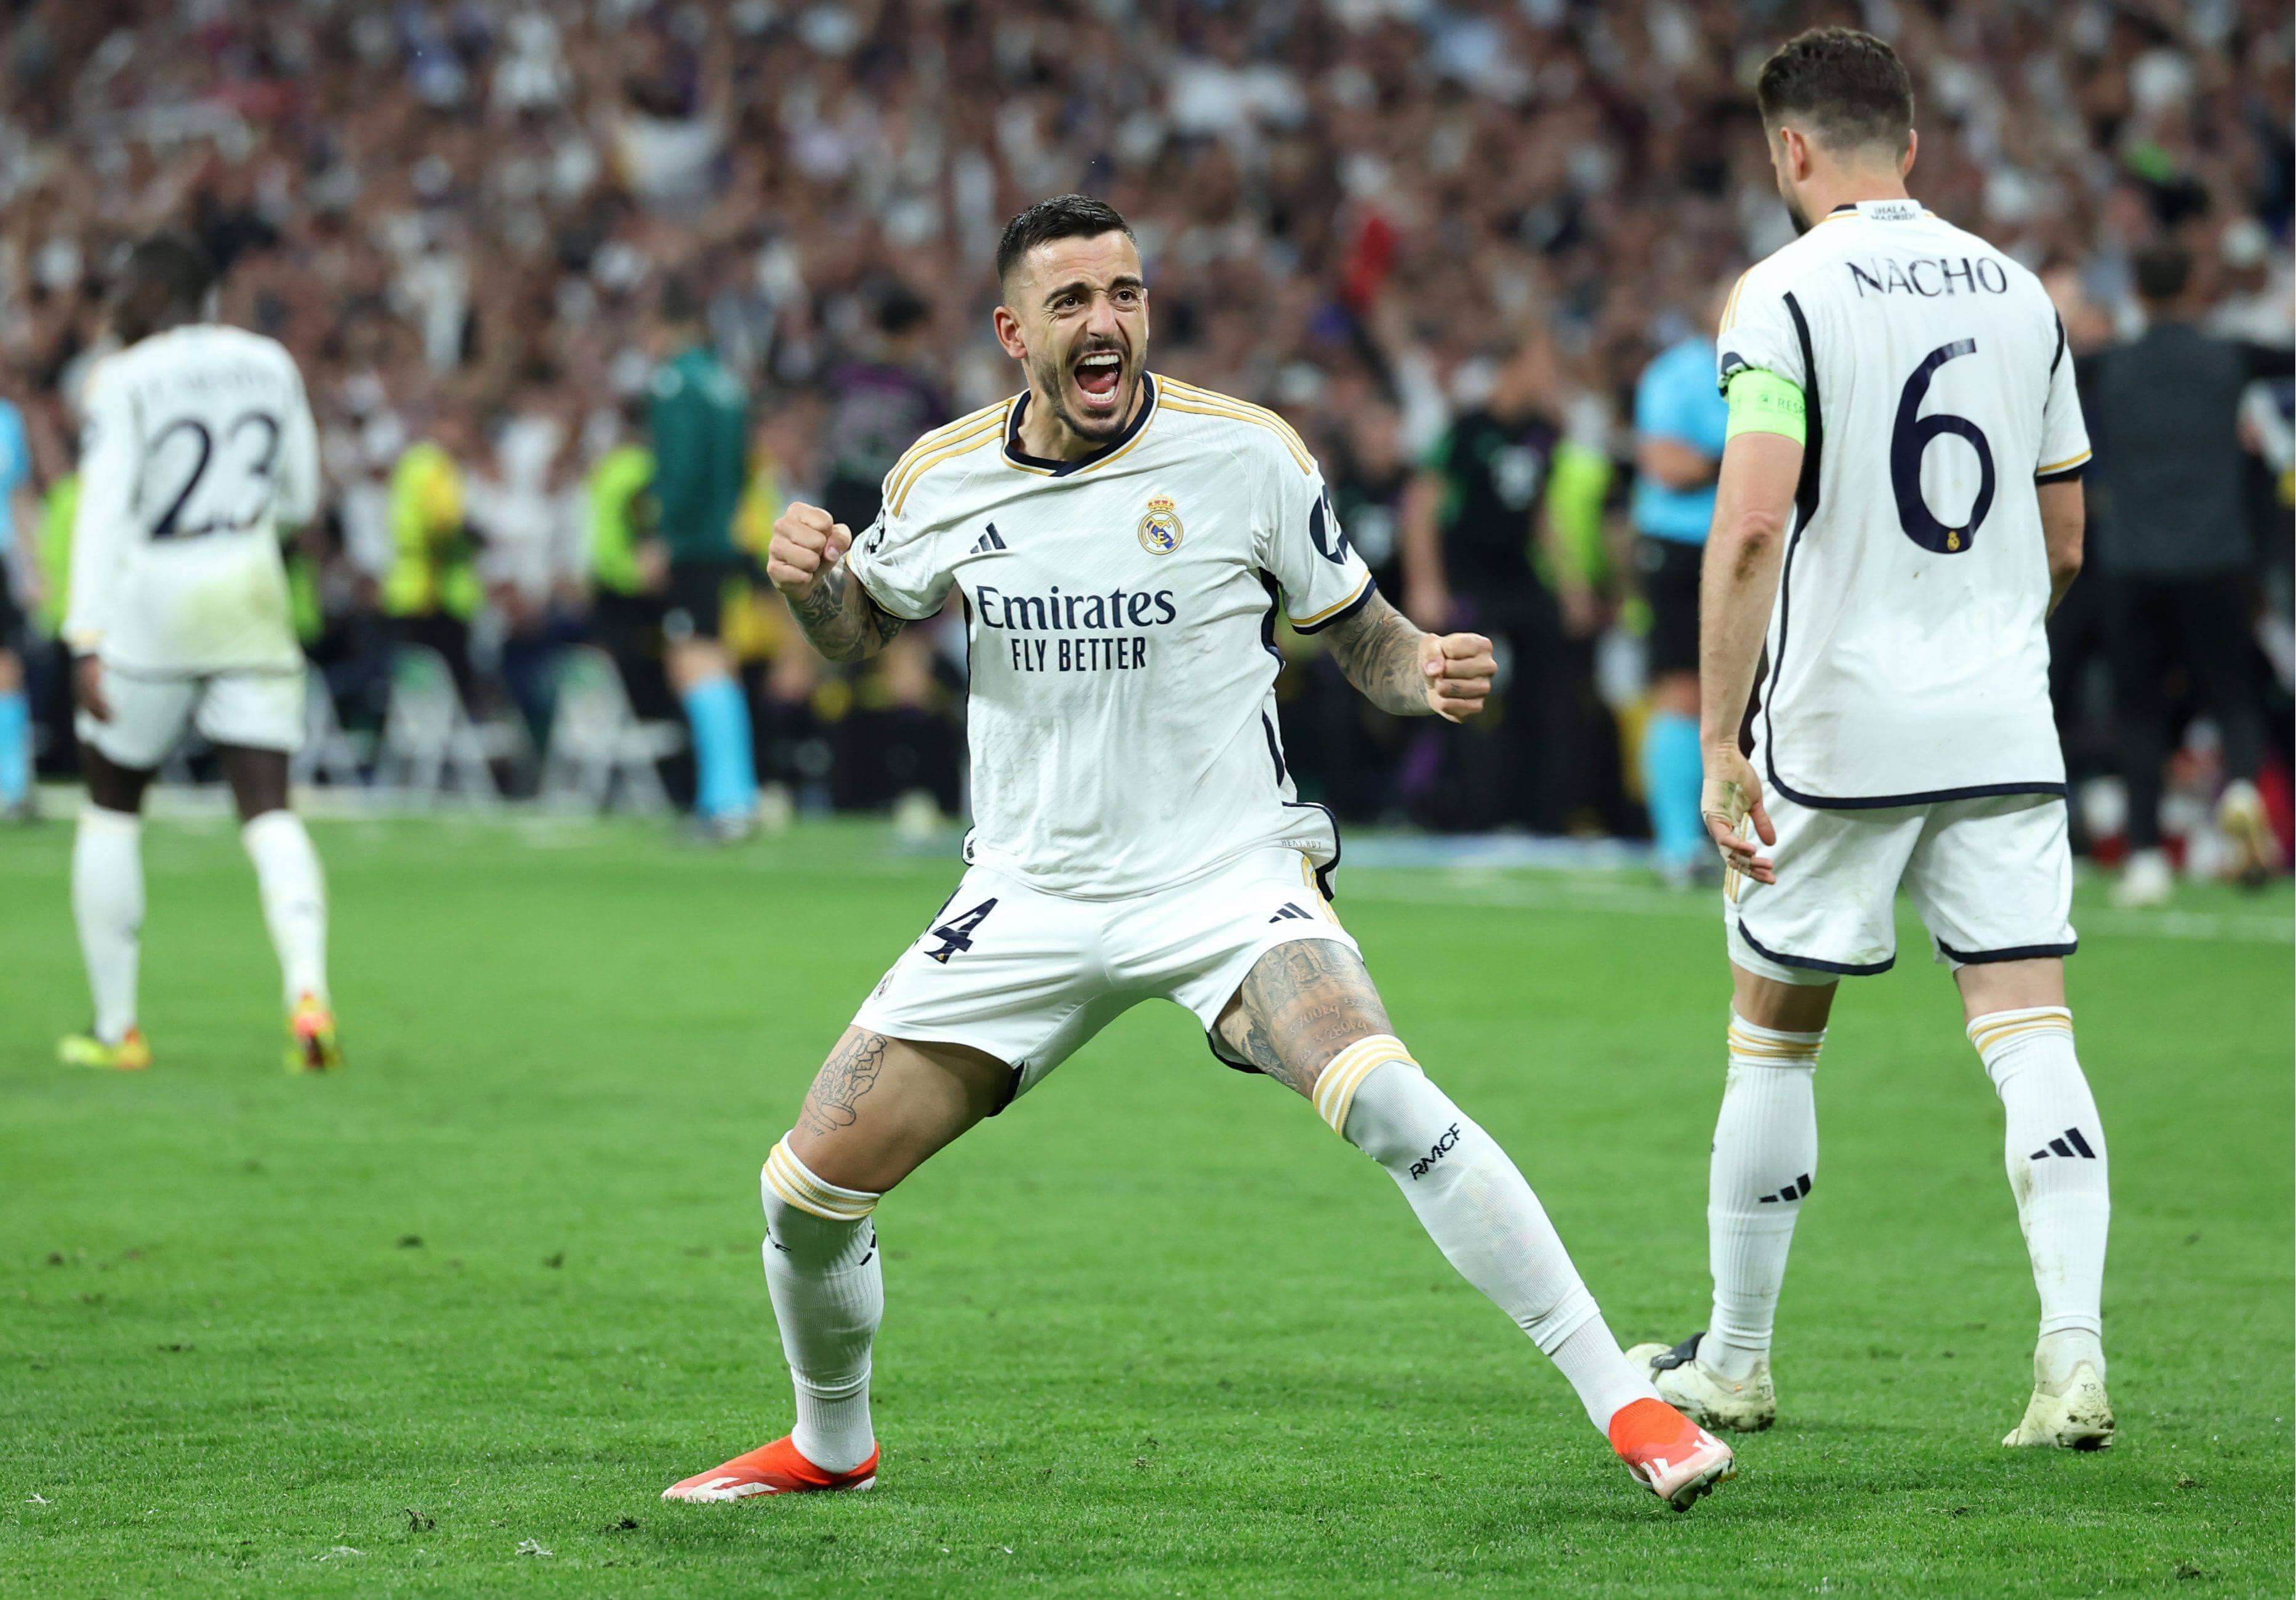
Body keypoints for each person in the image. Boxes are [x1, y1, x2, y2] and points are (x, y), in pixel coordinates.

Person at [662, 195, 1734, 1512]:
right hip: (1026, 893)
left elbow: (1362, 632)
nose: (1105, 322)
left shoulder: (1245, 456)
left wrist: (1425, 674)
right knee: (805, 1192)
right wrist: (808, 585)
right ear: (1013, 332)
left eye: (1124, 293)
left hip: (1225, 878)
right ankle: (832, 1443)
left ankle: (1625, 1403)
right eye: (1070, 303)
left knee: (1386, 1094)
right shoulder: (940, 478)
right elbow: (854, 631)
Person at [1625, 30, 2113, 1452]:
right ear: (1905, 145)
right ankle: (2068, 1361)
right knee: (2026, 1031)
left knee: (1770, 1038)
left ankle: (1733, 1359)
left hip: (1837, 729)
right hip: (1997, 722)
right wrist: (1972, 629)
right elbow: (2064, 535)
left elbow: (1752, 518)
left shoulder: (1775, 294)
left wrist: (1719, 736)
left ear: (1787, 152)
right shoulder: (2019, 294)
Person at [56, 235, 340, 1074]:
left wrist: (85, 636)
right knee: (270, 809)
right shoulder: (269, 361)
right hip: (249, 586)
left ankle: (117, 1029)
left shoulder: (126, 376)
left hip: (154, 597)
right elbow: (300, 494)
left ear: (153, 292)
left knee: (111, 804)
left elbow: (104, 507)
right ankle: (308, 991)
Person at [2081, 244, 2293, 905]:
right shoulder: (2228, 356)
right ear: (2195, 285)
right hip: (2217, 557)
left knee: (2138, 708)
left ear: (2136, 292)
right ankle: (2236, 793)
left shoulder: (2110, 365)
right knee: (2232, 695)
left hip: (2131, 560)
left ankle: (2145, 857)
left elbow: (2039, 371)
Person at [649, 277, 757, 840]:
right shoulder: (726, 385)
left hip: (692, 542)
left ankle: (725, 802)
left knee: (693, 660)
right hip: (723, 537)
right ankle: (735, 795)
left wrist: (662, 533)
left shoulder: (677, 384)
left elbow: (681, 469)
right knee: (714, 657)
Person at [1631, 286, 1733, 886]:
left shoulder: (1780, 370)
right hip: (1682, 549)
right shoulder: (1675, 375)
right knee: (1682, 691)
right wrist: (1752, 462)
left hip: (1757, 547)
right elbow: (1668, 466)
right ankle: (1676, 845)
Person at [0, 390, 34, 819]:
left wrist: (33, 566)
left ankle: (12, 782)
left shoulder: (8, 418)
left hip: (1, 559)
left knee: (6, 667)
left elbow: (20, 496)